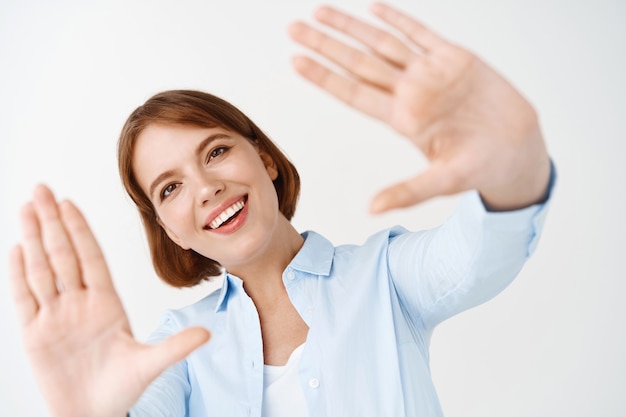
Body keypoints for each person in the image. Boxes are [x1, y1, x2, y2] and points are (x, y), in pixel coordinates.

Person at [8, 3, 554, 417]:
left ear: (264, 159)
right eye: (170, 189)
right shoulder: (176, 347)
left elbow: (478, 253)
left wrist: (514, 161)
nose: (204, 188)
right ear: (169, 230)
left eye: (216, 152)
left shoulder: (384, 277)